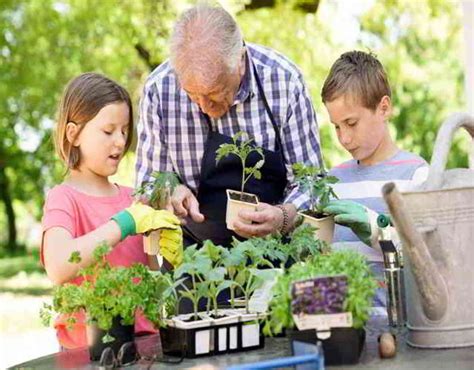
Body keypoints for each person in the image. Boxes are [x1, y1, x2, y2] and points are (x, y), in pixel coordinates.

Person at [135, 4, 323, 247]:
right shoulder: (159, 90)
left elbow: (313, 182)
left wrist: (283, 216)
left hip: (274, 251)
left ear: (240, 61)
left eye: (214, 94)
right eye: (192, 95)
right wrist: (170, 191)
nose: (203, 106)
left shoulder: (283, 81)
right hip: (194, 258)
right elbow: (147, 183)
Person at [41, 73, 183, 349]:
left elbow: (154, 280)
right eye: (108, 131)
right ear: (74, 134)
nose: (120, 141)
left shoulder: (134, 198)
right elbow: (58, 266)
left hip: (145, 343)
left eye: (124, 130)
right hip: (88, 351)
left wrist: (168, 251)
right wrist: (124, 223)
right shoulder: (64, 199)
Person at [320, 51, 428, 307]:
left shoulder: (416, 175)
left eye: (351, 123)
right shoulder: (333, 181)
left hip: (401, 332)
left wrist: (376, 229)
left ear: (384, 108)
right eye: (336, 126)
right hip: (346, 329)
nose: (344, 138)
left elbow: (427, 260)